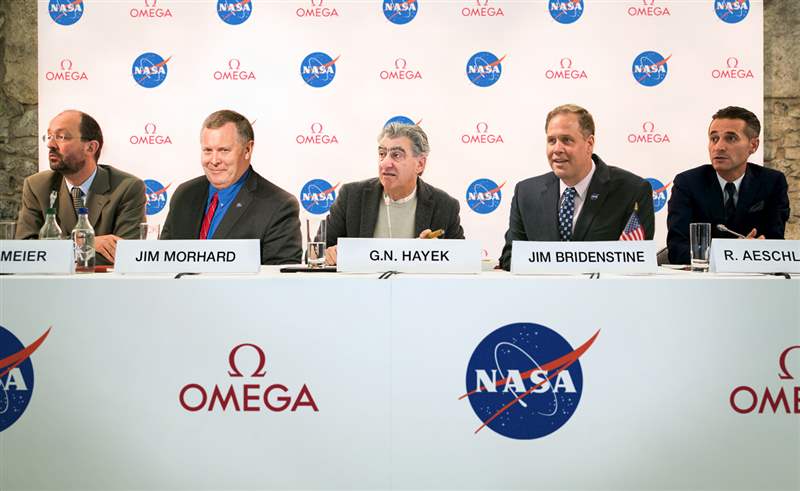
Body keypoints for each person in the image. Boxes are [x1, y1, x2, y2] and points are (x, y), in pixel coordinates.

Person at [499, 104, 654, 270]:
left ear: (589, 144)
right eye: (552, 141)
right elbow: (510, 258)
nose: (557, 149)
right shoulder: (526, 193)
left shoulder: (632, 191)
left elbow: (637, 261)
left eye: (566, 140)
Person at [160, 110, 302, 265]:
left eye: (224, 150)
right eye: (208, 150)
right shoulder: (184, 194)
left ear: (247, 150)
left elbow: (281, 277)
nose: (214, 160)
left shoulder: (279, 206)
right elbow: (162, 262)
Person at [15, 110, 146, 264]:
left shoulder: (127, 188)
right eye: (49, 136)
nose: (50, 144)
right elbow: (25, 251)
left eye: (61, 137)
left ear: (91, 148)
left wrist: (54, 251)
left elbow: (125, 254)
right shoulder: (37, 186)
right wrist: (85, 242)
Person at [323, 123, 464, 265]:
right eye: (382, 154)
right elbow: (316, 251)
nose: (385, 163)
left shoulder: (445, 206)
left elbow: (462, 259)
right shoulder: (351, 196)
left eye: (396, 155)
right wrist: (330, 254)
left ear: (420, 164)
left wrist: (437, 253)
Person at [666, 106, 790, 264]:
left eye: (731, 138)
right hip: (702, 277)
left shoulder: (772, 182)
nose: (719, 147)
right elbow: (677, 249)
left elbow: (775, 244)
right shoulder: (688, 183)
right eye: (714, 138)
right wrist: (731, 253)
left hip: (753, 276)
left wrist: (754, 250)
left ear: (753, 145)